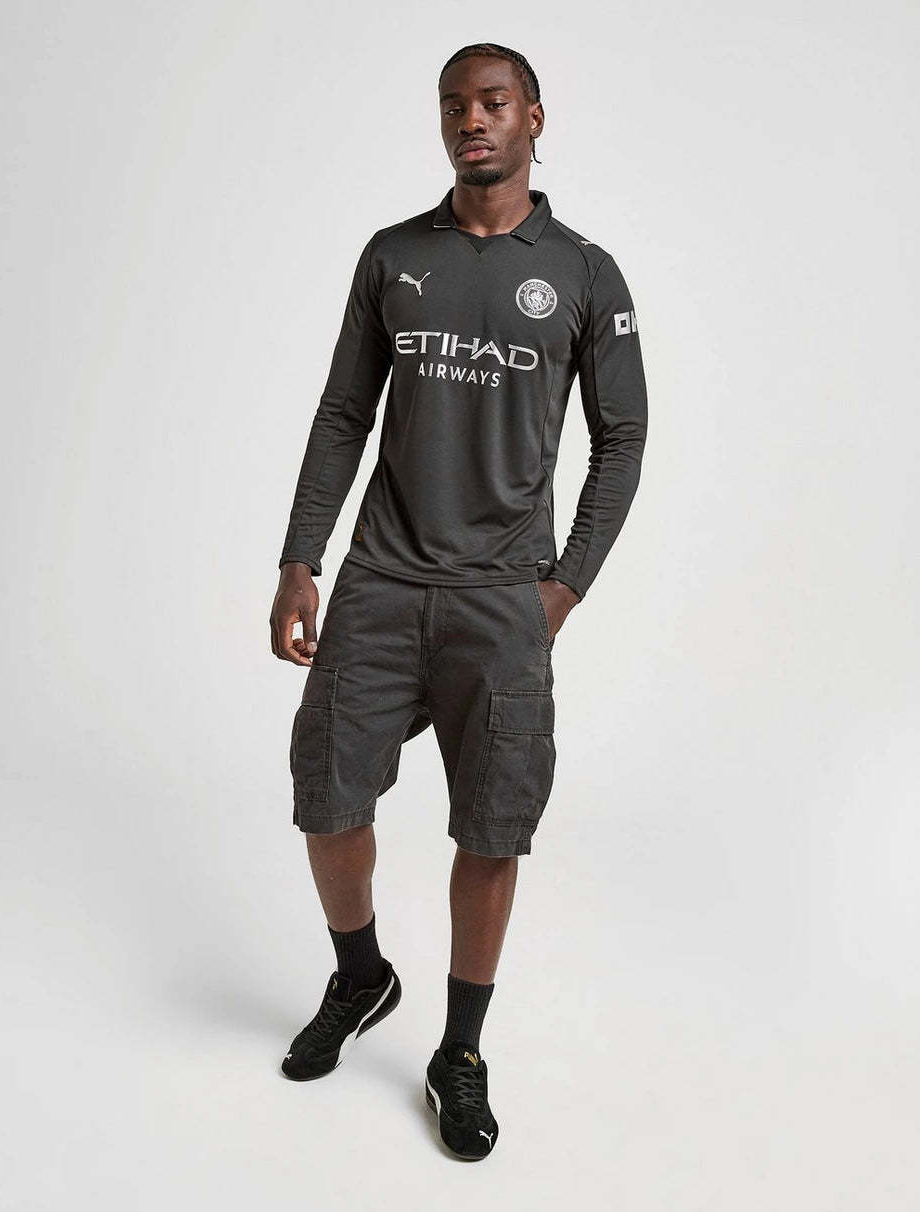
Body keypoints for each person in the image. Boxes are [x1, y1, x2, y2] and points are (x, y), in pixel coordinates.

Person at [269, 41, 648, 1160]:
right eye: (453, 106)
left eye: (491, 103)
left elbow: (623, 437)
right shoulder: (395, 254)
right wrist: (299, 558)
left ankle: (460, 1052)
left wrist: (564, 585)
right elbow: (344, 412)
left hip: (501, 600)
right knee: (327, 797)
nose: (470, 121)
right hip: (382, 582)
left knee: (491, 827)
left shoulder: (582, 273)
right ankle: (361, 976)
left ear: (534, 117)